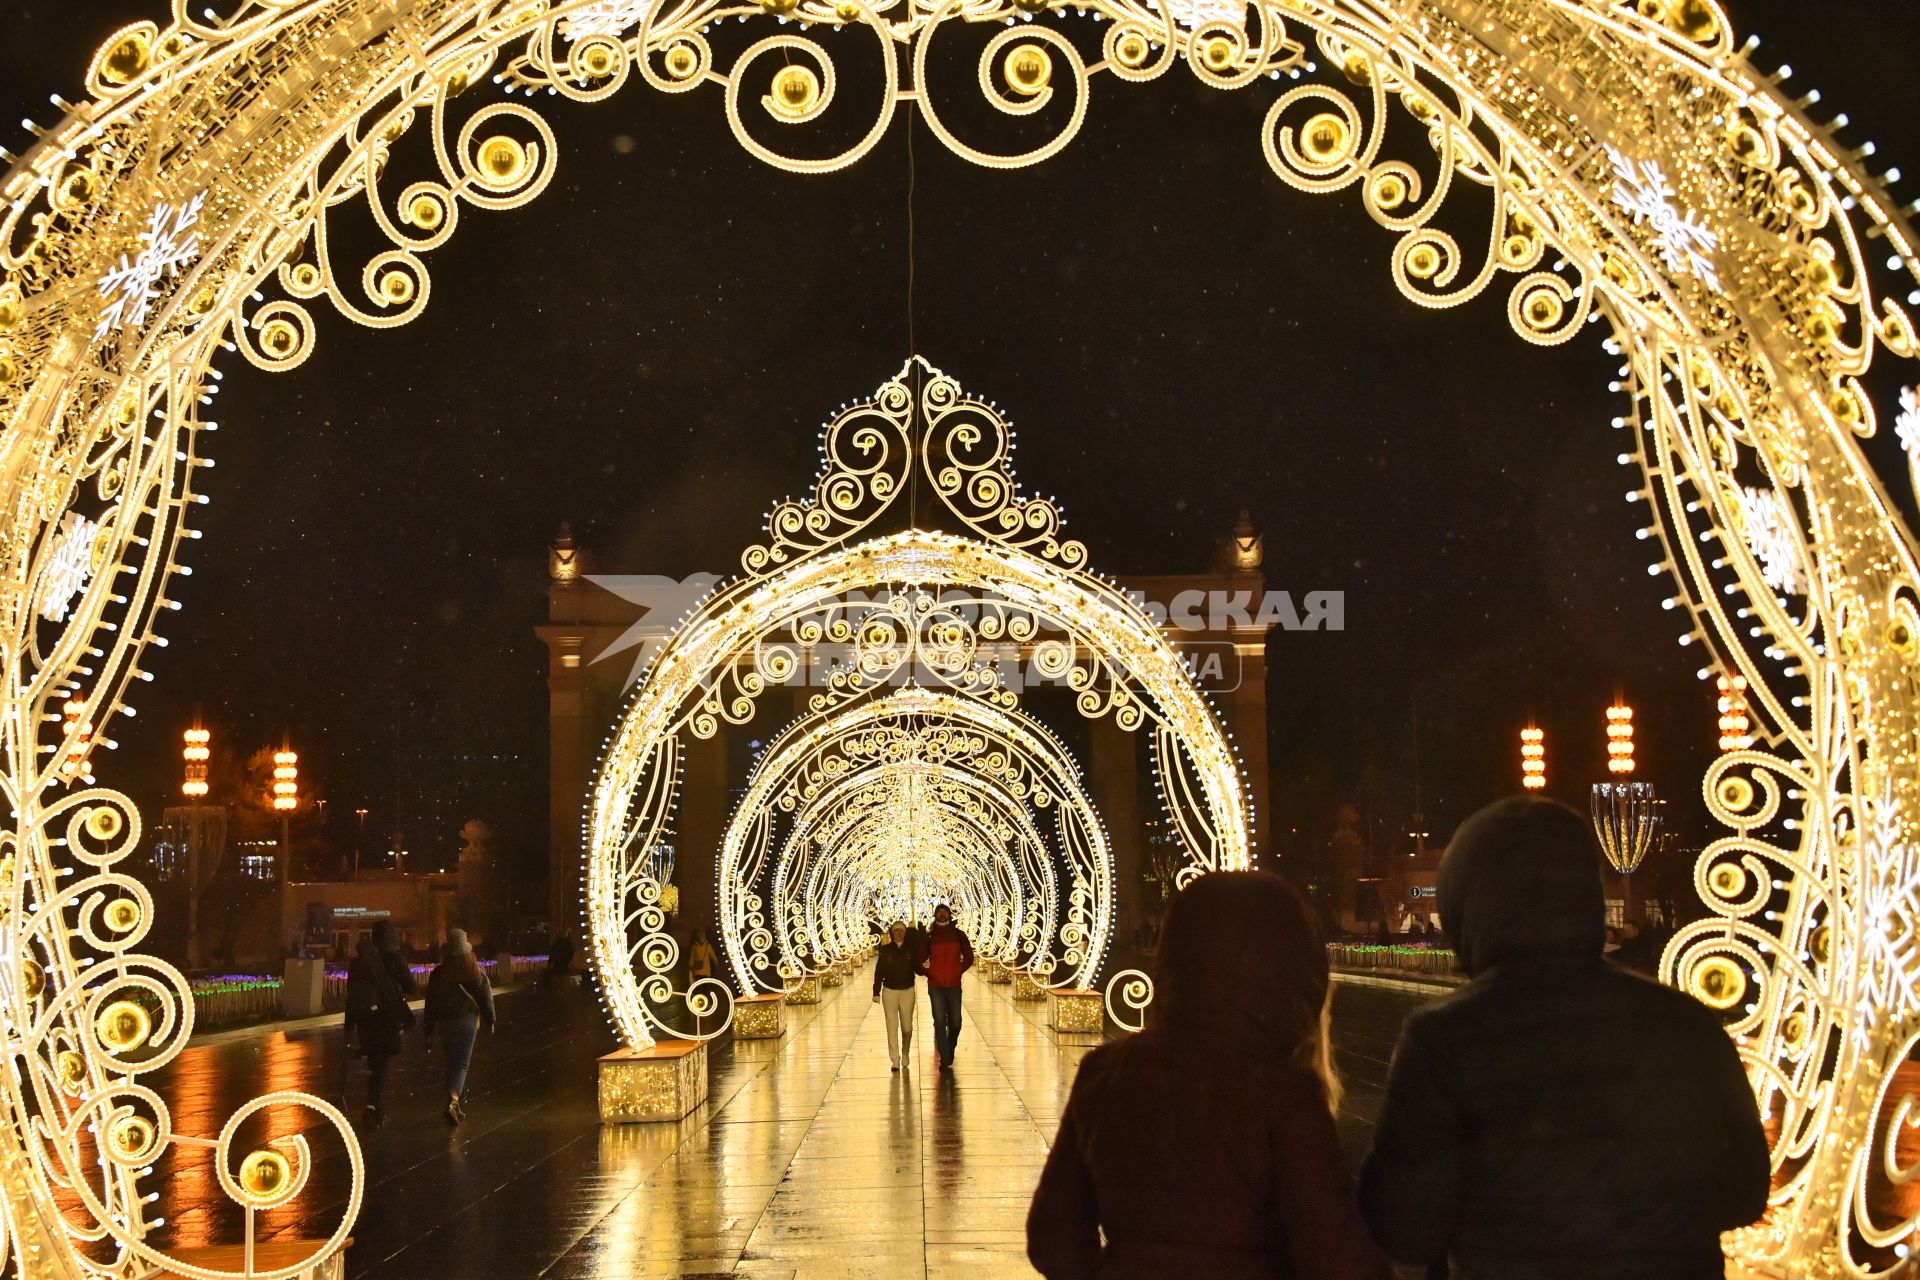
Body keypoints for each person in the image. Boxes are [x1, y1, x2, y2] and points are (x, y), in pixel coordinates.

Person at [1359, 797, 1771, 1278]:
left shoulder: (1446, 1041)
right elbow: (1743, 1193)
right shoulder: (1685, 1024)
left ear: (1468, 904)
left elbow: (1404, 1226)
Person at [1026, 872, 1392, 1280]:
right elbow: (1335, 1252)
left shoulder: (1105, 1073)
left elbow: (1051, 1236)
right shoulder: (1284, 1094)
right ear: (1292, 973)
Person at [342, 921, 416, 1128]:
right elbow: (411, 987)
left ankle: (375, 1106)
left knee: (376, 1062)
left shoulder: (358, 963)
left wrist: (349, 1028)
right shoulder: (394, 959)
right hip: (387, 1017)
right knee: (381, 1063)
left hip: (365, 1020)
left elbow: (352, 997)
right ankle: (372, 1107)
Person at [424, 928, 496, 1126]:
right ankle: (453, 1102)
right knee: (462, 1064)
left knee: (451, 1062)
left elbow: (430, 1004)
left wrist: (428, 1030)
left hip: (445, 1023)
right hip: (467, 1021)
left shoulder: (439, 974)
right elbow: (485, 999)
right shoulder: (474, 971)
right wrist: (490, 1021)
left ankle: (456, 1104)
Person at [917, 904, 973, 1069]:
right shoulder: (930, 937)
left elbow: (969, 957)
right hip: (936, 986)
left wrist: (958, 971)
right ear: (935, 915)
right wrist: (930, 973)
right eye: (939, 912)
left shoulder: (958, 935)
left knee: (956, 1022)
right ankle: (945, 1057)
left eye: (945, 911)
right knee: (940, 1021)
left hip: (954, 985)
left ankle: (950, 1048)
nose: (942, 914)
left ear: (949, 914)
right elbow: (919, 960)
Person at [872, 919, 919, 1071]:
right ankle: (895, 1059)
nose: (898, 933)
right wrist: (876, 991)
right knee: (891, 1025)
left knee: (907, 1027)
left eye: (901, 931)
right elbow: (879, 972)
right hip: (889, 991)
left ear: (905, 933)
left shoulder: (911, 949)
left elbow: (917, 967)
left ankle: (905, 1051)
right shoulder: (885, 950)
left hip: (907, 990)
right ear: (892, 933)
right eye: (896, 931)